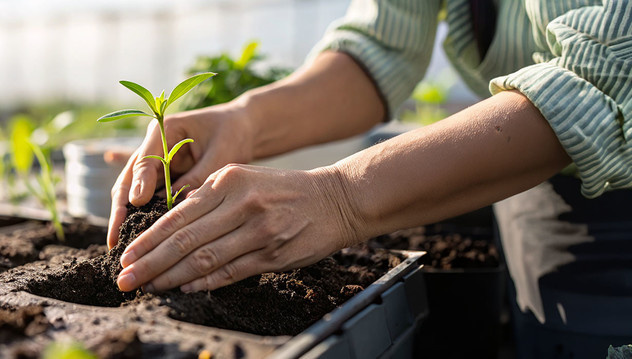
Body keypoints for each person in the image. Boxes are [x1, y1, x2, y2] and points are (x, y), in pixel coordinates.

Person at [107, 0, 631, 354]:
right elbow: (382, 45)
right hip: (523, 186)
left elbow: (602, 77)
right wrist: (246, 119)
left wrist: (340, 197)